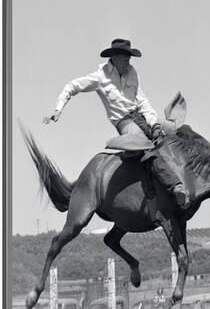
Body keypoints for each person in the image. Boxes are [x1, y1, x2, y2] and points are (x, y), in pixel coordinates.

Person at [43, 38, 189, 209]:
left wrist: (155, 124)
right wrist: (58, 110)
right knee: (146, 146)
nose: (129, 62)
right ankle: (174, 186)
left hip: (141, 116)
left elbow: (142, 101)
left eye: (129, 58)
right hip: (124, 122)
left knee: (175, 131)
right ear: (116, 58)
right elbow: (72, 86)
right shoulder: (100, 77)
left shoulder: (132, 72)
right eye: (126, 58)